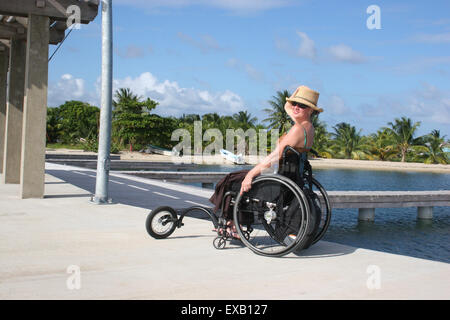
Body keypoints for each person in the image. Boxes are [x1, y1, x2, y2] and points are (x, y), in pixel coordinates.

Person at [209, 85, 323, 239]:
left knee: (230, 181)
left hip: (278, 180)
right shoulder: (308, 127)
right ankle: (233, 223)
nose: (295, 107)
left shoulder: (297, 129)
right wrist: (295, 97)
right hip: (291, 177)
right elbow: (288, 107)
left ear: (311, 110)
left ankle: (233, 224)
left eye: (302, 105)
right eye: (295, 103)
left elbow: (274, 157)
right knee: (237, 178)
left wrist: (250, 175)